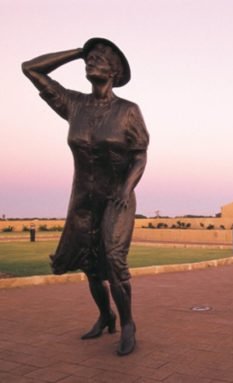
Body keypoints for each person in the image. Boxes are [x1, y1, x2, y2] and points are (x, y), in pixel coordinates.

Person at [22, 38, 149, 356]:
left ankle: (128, 322)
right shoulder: (74, 104)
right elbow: (31, 69)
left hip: (117, 197)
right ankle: (106, 316)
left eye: (99, 58)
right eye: (88, 58)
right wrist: (76, 52)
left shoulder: (127, 111)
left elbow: (140, 154)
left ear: (114, 71)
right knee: (90, 265)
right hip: (83, 199)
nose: (91, 62)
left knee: (114, 260)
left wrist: (126, 187)